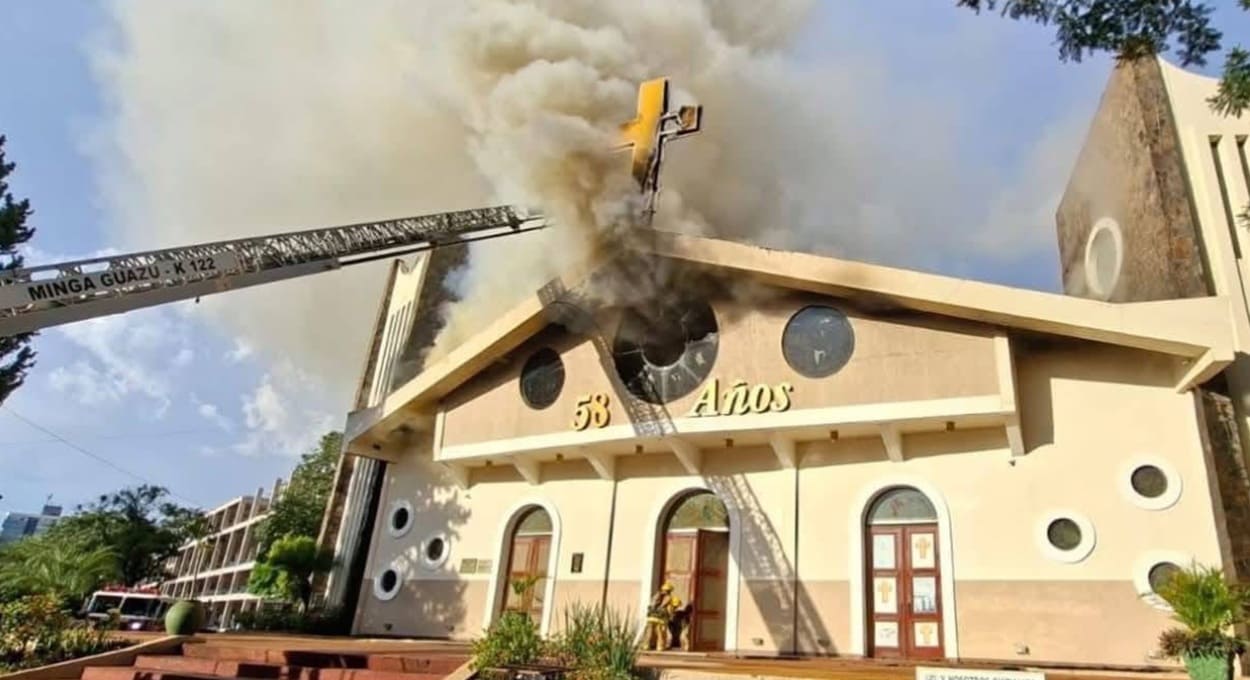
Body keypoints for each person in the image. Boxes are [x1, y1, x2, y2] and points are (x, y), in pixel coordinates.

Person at [645, 582, 677, 650]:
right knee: (660, 633)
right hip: (660, 618)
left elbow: (651, 605)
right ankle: (660, 647)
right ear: (669, 590)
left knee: (649, 631)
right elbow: (669, 609)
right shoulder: (668, 598)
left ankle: (646, 645)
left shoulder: (656, 595)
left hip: (651, 617)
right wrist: (671, 616)